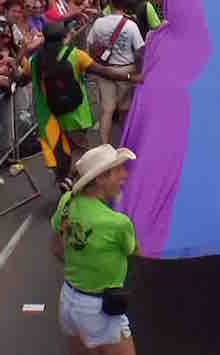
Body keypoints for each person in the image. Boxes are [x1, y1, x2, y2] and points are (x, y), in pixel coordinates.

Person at [33, 21, 140, 191]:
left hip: (51, 115)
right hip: (75, 114)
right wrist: (130, 77)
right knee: (81, 151)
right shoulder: (75, 55)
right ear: (64, 37)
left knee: (62, 150)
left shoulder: (36, 60)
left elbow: (19, 77)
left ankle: (64, 180)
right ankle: (71, 182)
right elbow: (104, 72)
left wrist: (22, 51)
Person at [52, 144, 138, 355]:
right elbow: (133, 249)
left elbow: (56, 248)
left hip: (69, 302)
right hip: (99, 310)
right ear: (100, 178)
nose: (125, 174)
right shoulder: (117, 223)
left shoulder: (66, 202)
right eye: (118, 170)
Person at [87, 0, 145, 146]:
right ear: (124, 3)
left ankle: (105, 146)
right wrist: (140, 70)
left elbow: (90, 45)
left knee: (107, 110)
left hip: (105, 70)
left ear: (110, 2)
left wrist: (97, 61)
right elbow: (140, 50)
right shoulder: (131, 25)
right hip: (126, 69)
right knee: (125, 109)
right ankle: (125, 143)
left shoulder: (98, 23)